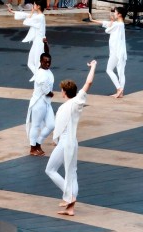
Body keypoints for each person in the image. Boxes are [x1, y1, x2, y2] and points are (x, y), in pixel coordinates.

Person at [46, 60, 97, 217]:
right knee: (71, 172)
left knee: (51, 169)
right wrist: (93, 66)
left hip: (66, 142)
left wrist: (94, 66)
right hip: (71, 142)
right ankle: (70, 207)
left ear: (64, 91)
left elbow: (89, 82)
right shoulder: (77, 102)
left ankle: (69, 197)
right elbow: (88, 82)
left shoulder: (73, 103)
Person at [88, 7, 127, 98]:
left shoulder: (117, 25)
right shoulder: (120, 24)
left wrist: (111, 21)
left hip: (116, 52)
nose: (114, 14)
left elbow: (107, 29)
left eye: (115, 12)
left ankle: (119, 89)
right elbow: (105, 23)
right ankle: (121, 92)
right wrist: (93, 20)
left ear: (119, 14)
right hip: (120, 52)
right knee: (121, 72)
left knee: (109, 70)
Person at [26, 51, 54, 156]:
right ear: (40, 62)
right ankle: (33, 148)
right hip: (38, 103)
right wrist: (51, 94)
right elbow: (46, 90)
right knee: (36, 125)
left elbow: (46, 51)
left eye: (49, 62)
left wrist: (45, 43)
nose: (47, 64)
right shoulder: (41, 73)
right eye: (45, 62)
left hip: (46, 103)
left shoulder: (47, 70)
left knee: (51, 125)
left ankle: (38, 143)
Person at [8, 0, 46, 76]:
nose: (33, 6)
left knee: (36, 62)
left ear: (38, 6)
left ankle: (39, 78)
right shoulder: (39, 15)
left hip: (39, 43)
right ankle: (38, 77)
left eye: (34, 4)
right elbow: (26, 15)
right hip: (37, 42)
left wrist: (31, 12)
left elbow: (26, 21)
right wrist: (13, 12)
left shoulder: (40, 17)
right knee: (31, 63)